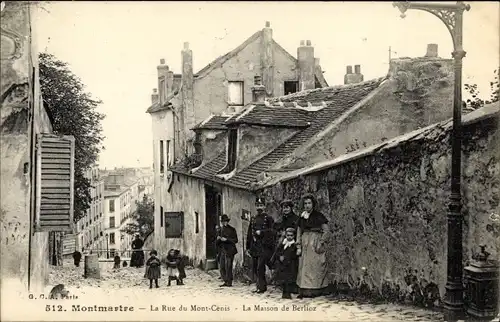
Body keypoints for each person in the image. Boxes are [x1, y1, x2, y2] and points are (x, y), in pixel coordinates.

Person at [296, 193, 331, 298]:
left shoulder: (319, 216)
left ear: (313, 204)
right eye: (305, 203)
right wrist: (298, 245)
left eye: (309, 203)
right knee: (304, 267)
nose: (307, 205)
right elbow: (299, 231)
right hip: (304, 242)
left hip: (315, 242)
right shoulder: (302, 217)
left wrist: (321, 242)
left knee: (315, 266)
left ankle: (316, 290)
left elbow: (326, 231)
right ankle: (305, 290)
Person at [246, 196, 275, 293]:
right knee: (255, 267)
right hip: (255, 246)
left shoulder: (269, 218)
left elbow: (272, 231)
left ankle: (261, 287)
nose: (259, 207)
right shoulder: (253, 218)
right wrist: (247, 247)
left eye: (261, 205)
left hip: (264, 246)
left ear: (264, 206)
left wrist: (262, 232)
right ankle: (260, 286)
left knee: (260, 267)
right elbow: (249, 233)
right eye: (257, 205)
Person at [272, 227, 299, 299]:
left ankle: (288, 293)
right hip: (282, 265)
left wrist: (286, 258)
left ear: (294, 236)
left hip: (290, 265)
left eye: (291, 235)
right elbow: (277, 251)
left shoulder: (294, 245)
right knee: (283, 279)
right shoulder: (283, 243)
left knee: (289, 279)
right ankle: (284, 293)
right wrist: (280, 256)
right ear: (285, 235)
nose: (289, 237)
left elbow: (293, 255)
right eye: (288, 235)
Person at [216, 214, 238, 287]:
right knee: (222, 267)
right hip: (223, 250)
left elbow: (235, 240)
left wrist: (227, 240)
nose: (224, 223)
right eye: (223, 221)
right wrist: (218, 239)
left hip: (230, 250)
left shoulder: (232, 229)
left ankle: (229, 282)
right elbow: (217, 243)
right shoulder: (220, 230)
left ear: (227, 222)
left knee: (228, 266)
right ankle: (225, 281)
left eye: (226, 221)